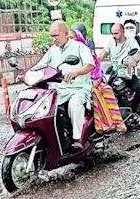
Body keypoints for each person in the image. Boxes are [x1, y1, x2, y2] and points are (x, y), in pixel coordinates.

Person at [36, 20, 95, 149]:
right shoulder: (52, 50)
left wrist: (75, 73)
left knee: (75, 105)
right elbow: (41, 65)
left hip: (78, 88)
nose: (53, 39)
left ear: (66, 34)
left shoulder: (80, 47)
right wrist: (27, 73)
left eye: (56, 35)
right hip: (59, 89)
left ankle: (78, 139)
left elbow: (90, 65)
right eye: (51, 36)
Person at [68, 29, 127, 134]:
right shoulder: (63, 53)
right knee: (95, 93)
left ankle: (118, 122)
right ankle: (105, 124)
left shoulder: (87, 51)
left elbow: (97, 70)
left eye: (72, 38)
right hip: (76, 85)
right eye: (68, 38)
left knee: (107, 89)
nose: (70, 40)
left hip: (92, 81)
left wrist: (97, 80)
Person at [98, 23, 140, 116]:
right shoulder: (110, 43)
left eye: (116, 33)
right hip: (114, 73)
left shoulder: (131, 42)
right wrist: (94, 61)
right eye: (112, 34)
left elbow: (137, 56)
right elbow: (102, 56)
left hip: (127, 72)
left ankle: (134, 110)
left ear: (123, 32)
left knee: (139, 88)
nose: (114, 36)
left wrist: (132, 61)